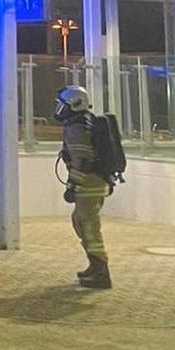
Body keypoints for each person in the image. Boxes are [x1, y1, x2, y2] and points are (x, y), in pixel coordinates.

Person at [55, 85, 112, 289]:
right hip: (95, 180)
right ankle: (95, 265)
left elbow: (82, 159)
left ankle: (100, 270)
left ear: (74, 104)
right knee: (80, 221)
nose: (59, 109)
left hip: (89, 182)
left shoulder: (76, 127)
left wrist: (73, 184)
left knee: (88, 224)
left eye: (62, 105)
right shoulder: (86, 122)